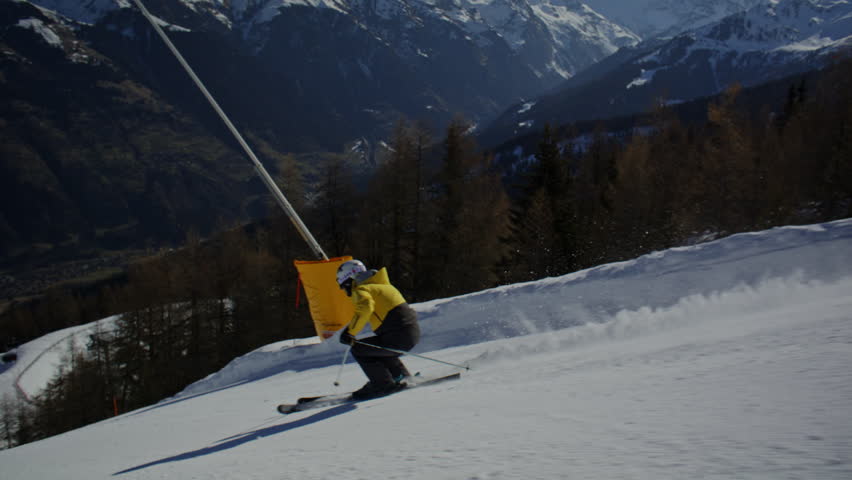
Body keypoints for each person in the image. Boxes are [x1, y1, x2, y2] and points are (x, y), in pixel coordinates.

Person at [336, 259, 421, 400]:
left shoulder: (361, 290)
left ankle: (382, 384)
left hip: (398, 337)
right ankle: (400, 376)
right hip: (410, 333)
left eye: (344, 286)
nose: (345, 292)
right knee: (377, 347)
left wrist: (350, 331)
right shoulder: (382, 286)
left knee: (358, 349)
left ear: (350, 280)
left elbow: (365, 307)